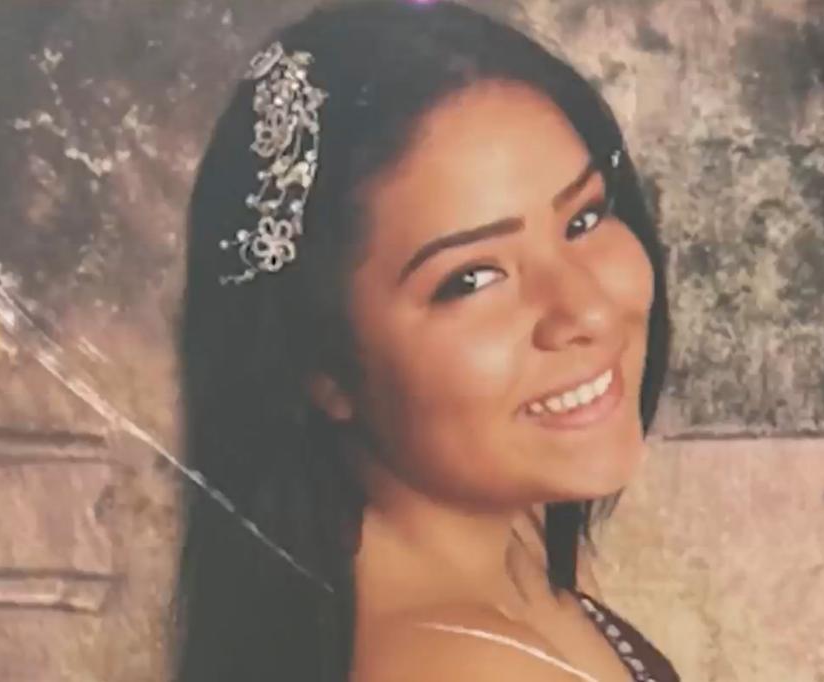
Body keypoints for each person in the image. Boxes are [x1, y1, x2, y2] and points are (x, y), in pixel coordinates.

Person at [174, 1, 675, 680]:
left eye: (583, 218)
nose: (584, 309)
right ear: (322, 364)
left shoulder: (493, 555)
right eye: (471, 279)